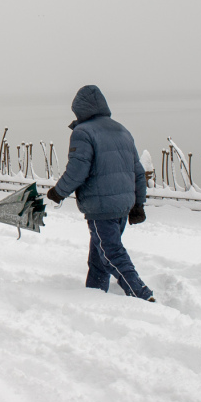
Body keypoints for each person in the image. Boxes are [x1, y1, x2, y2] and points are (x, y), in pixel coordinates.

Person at [47, 85, 154, 302]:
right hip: (123, 205)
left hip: (101, 207)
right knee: (99, 257)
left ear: (79, 109)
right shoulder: (122, 130)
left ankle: (142, 295)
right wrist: (138, 204)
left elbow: (77, 170)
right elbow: (138, 172)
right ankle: (94, 297)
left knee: (111, 254)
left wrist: (58, 192)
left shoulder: (82, 132)